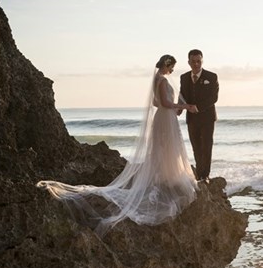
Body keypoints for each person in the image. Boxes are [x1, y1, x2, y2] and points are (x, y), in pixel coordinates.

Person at [37, 54, 198, 234]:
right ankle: (167, 177)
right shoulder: (161, 80)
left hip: (163, 117)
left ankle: (164, 176)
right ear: (167, 64)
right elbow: (165, 102)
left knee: (163, 149)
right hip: (165, 118)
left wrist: (173, 107)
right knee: (167, 147)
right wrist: (185, 107)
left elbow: (155, 102)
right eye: (172, 67)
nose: (172, 70)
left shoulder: (157, 79)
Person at [178, 49, 219, 183]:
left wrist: (198, 107)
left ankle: (205, 175)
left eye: (198, 61)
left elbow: (214, 97)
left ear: (202, 61)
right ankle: (199, 174)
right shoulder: (183, 78)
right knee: (196, 146)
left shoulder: (212, 77)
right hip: (192, 119)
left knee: (206, 146)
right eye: (193, 61)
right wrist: (178, 109)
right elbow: (182, 95)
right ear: (188, 62)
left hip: (207, 118)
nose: (196, 64)